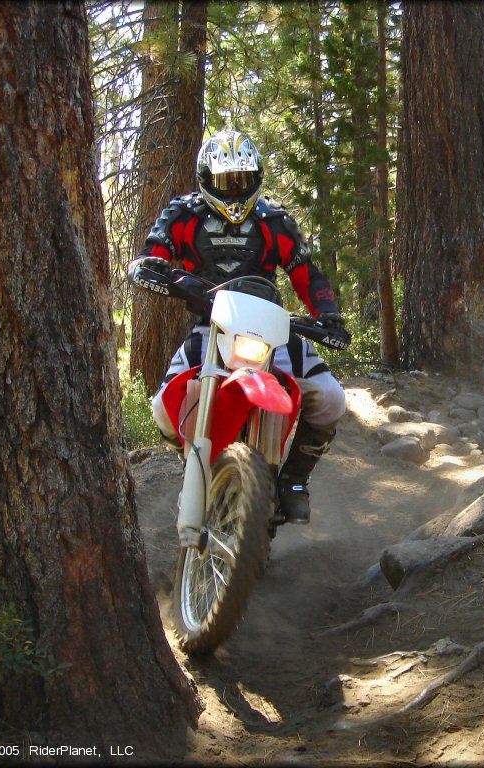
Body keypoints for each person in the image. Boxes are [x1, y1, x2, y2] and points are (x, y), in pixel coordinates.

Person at [127, 131, 350, 525]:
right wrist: (154, 269)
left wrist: (327, 313)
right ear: (206, 178)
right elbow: (153, 252)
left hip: (273, 329)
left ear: (256, 177)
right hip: (209, 329)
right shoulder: (182, 215)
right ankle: (194, 464)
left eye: (242, 179)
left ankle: (294, 481)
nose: (235, 189)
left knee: (331, 399)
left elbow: (306, 273)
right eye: (226, 180)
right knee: (163, 408)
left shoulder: (274, 220)